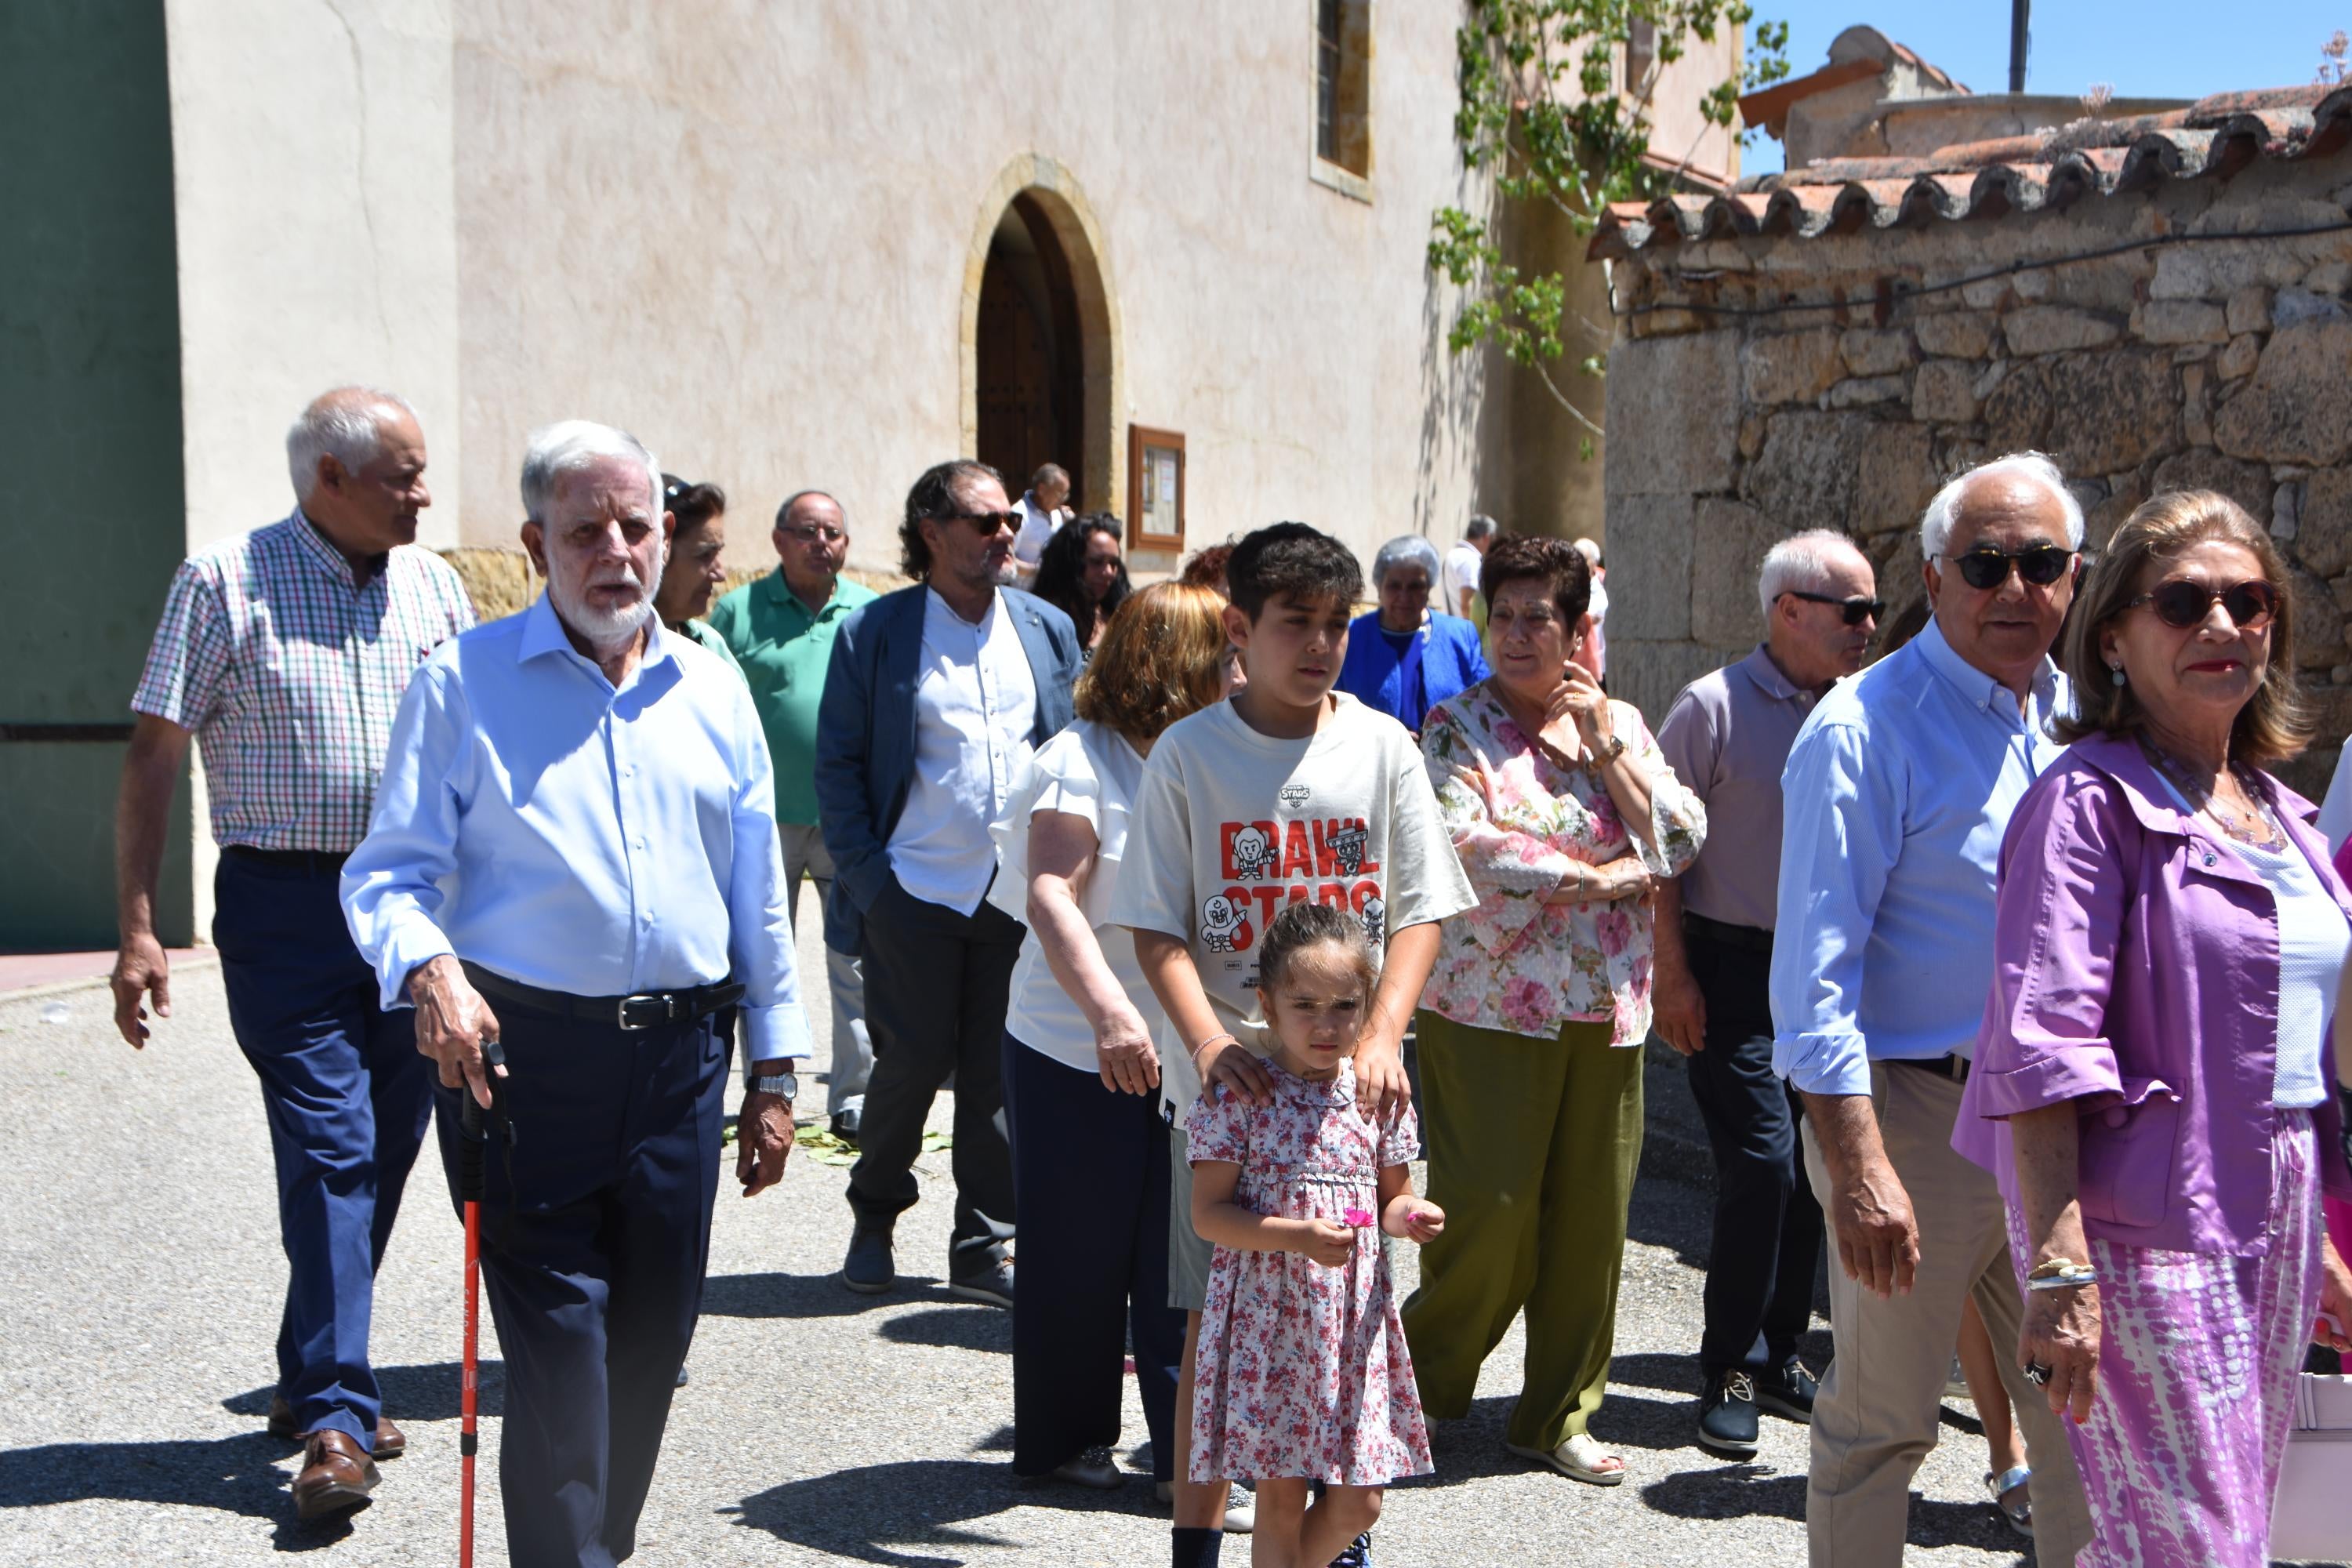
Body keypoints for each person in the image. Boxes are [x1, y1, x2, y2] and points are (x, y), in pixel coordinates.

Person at [340, 419, 815, 1567]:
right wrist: (430, 968)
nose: (616, 551)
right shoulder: (465, 683)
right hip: (525, 1067)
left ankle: (593, 1548)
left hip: (681, 1071)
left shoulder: (714, 691)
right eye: (585, 529)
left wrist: (775, 1068)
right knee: (558, 1361)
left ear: (664, 537)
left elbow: (756, 898)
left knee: (649, 1353)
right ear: (534, 542)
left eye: (636, 526)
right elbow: (388, 874)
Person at [1956, 488, 2352, 1566]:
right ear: (2117, 638)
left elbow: (2290, 1057)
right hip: (2141, 1223)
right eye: (2183, 602)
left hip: (2275, 1201)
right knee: (2199, 1542)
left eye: (2248, 600)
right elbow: (2041, 1047)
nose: (2222, 625)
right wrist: (2060, 1269)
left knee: (2205, 1530)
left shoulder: (2283, 814)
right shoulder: (2089, 803)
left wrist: (2314, 1236)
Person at [111, 386, 471, 1521]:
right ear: (329, 479)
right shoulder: (223, 582)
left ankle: (311, 1367)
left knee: (389, 1148)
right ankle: (333, 1417)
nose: (424, 492)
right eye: (403, 475)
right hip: (282, 907)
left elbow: (475, 756)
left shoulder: (435, 586)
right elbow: (154, 759)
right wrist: (135, 925)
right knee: (335, 1143)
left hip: (410, 917)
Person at [1112, 521, 1473, 1568]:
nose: (1318, 646)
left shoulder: (1380, 747)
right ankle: (1197, 1544)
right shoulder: (1191, 753)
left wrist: (1386, 1036)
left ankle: (1323, 1525)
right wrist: (1209, 1041)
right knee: (1211, 1333)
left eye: (1335, 625)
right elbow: (1156, 924)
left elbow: (1419, 912)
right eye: (1294, 624)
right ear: (1240, 627)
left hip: (1346, 1094)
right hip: (1237, 1102)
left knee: (1339, 1319)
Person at [1773, 451, 2094, 1568]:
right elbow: (1814, 974)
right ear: (1935, 573)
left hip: (2055, 1128)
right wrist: (1856, 1165)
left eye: (2042, 564)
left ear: (2076, 576)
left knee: (2082, 1417)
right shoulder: (1865, 729)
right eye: (1987, 563)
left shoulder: (2077, 714)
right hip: (1913, 1121)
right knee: (1880, 1426)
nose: (2017, 589)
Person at [1405, 534, 1705, 1486]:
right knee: (1487, 1215)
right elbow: (1466, 842)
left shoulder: (1615, 720)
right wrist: (1605, 874)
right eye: (1502, 614)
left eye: (1539, 616)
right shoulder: (1456, 725)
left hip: (1607, 1012)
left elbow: (1684, 830)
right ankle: (1412, 1387)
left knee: (1590, 1221)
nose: (1517, 633)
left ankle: (1557, 1412)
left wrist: (1608, 747)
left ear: (1578, 630)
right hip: (1489, 1006)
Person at [815, 459, 1082, 1306]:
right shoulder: (877, 633)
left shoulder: (1045, 628)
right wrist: (871, 883)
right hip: (917, 892)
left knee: (999, 1068)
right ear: (932, 532)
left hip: (1017, 893)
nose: (1007, 533)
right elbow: (841, 766)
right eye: (986, 521)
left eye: (1010, 519)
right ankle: (876, 1211)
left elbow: (1071, 750)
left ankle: (983, 1240)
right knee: (911, 1060)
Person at [990, 582, 1231, 1501]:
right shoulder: (1077, 761)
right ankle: (1067, 1438)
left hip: (1187, 1047)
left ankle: (1187, 1462)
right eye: (1223, 650)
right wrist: (1111, 1015)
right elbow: (1053, 895)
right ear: (1172, 661)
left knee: (1183, 1249)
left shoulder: (1209, 757)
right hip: (1073, 1045)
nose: (1238, 669)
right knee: (1077, 1252)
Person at [1650, 528, 1878, 1457]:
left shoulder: (1864, 711)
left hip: (1828, 974)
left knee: (1822, 1171)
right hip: (1733, 968)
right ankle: (1729, 1363)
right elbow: (1658, 851)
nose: (1869, 625)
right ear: (1789, 610)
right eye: (1851, 609)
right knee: (1765, 1159)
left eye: (1872, 608)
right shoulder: (1711, 707)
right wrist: (1672, 972)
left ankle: (1784, 1349)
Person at [1187, 902, 1444, 1568]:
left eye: (1344, 1006)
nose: (1326, 1025)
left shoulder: (1378, 1095)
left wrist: (1411, 1216)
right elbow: (1208, 1216)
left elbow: (1392, 1200)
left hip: (1352, 1323)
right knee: (1278, 1500)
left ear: (1370, 1009)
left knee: (1361, 1500)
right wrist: (1295, 1236)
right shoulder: (1239, 1095)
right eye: (1305, 1005)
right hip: (1269, 1323)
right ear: (1267, 1006)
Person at [710, 488, 878, 1140]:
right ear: (779, 541)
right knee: (753, 956)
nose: (822, 543)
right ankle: (759, 1086)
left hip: (845, 817)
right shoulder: (738, 613)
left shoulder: (869, 612)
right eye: (808, 532)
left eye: (834, 532)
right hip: (763, 820)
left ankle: (854, 1094)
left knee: (854, 959)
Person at [1334, 535, 1489, 735]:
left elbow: (1485, 704)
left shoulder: (1460, 636)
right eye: (1394, 586)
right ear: (1379, 588)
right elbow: (1333, 708)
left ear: (1428, 589)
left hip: (1445, 762)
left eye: (1416, 586)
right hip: (1374, 760)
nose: (1405, 597)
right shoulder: (1351, 636)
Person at [651, 474, 740, 670]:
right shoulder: (597, 656)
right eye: (704, 555)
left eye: (718, 552)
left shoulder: (712, 647)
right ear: (660, 550)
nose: (720, 574)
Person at [1030, 510, 1131, 659]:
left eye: (1114, 564)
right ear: (1070, 562)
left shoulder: (1119, 619)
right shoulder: (1039, 621)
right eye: (1097, 562)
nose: (1109, 572)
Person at [1011, 462, 1073, 586]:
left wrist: (1071, 526)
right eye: (1059, 493)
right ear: (1042, 489)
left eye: (1065, 494)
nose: (1063, 500)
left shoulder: (1058, 514)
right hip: (1026, 594)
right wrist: (1037, 570)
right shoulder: (1017, 515)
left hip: (1054, 593)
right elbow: (1007, 559)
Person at [1439, 515, 1495, 622]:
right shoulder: (1470, 560)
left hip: (1453, 626)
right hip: (1464, 632)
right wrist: (1474, 635)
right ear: (1487, 538)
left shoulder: (1454, 554)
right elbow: (1468, 605)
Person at [1570, 539, 1607, 681]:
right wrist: (1588, 620)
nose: (1577, 563)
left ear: (1594, 562)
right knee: (1578, 695)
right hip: (1583, 661)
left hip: (1607, 659)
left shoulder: (1606, 581)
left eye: (1583, 559)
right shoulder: (1569, 587)